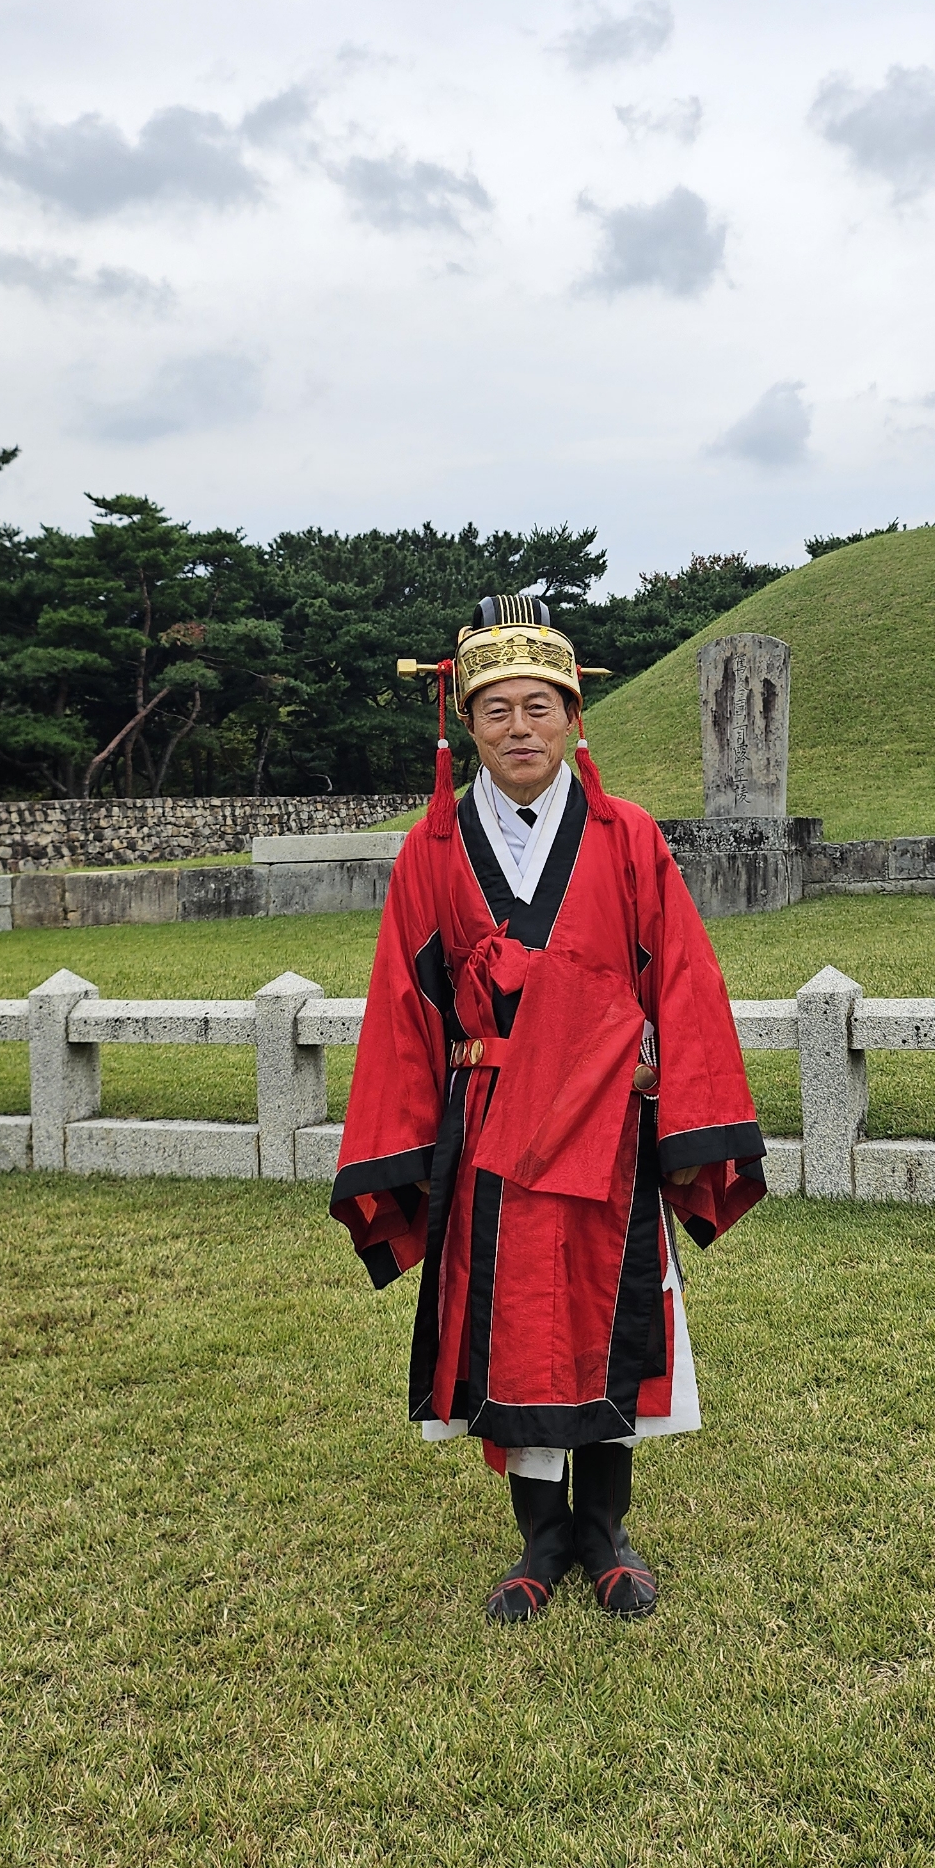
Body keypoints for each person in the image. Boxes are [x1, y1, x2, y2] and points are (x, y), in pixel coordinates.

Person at [331, 595, 766, 1623]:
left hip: (608, 1123)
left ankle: (606, 1529)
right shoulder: (431, 851)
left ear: (575, 718)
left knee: (609, 1311)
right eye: (495, 711)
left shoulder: (627, 839)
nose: (519, 727)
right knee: (509, 1322)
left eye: (539, 706)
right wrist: (397, 1149)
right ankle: (540, 1538)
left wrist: (688, 1115)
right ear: (464, 726)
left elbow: (688, 983)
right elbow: (404, 1002)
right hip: (491, 1126)